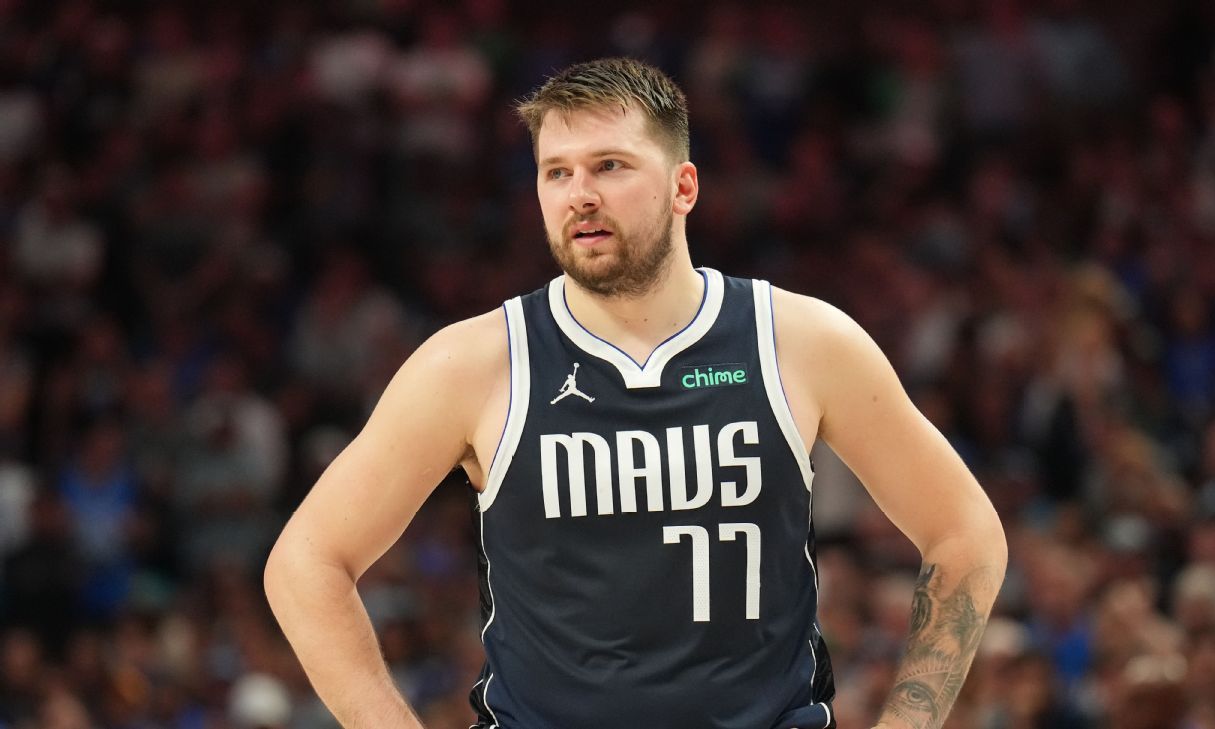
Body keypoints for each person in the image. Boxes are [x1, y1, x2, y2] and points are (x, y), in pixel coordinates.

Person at [264, 57, 1008, 729]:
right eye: (556, 173)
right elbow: (306, 562)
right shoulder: (473, 363)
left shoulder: (802, 341)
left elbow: (965, 532)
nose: (580, 195)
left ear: (684, 186)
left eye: (610, 165)